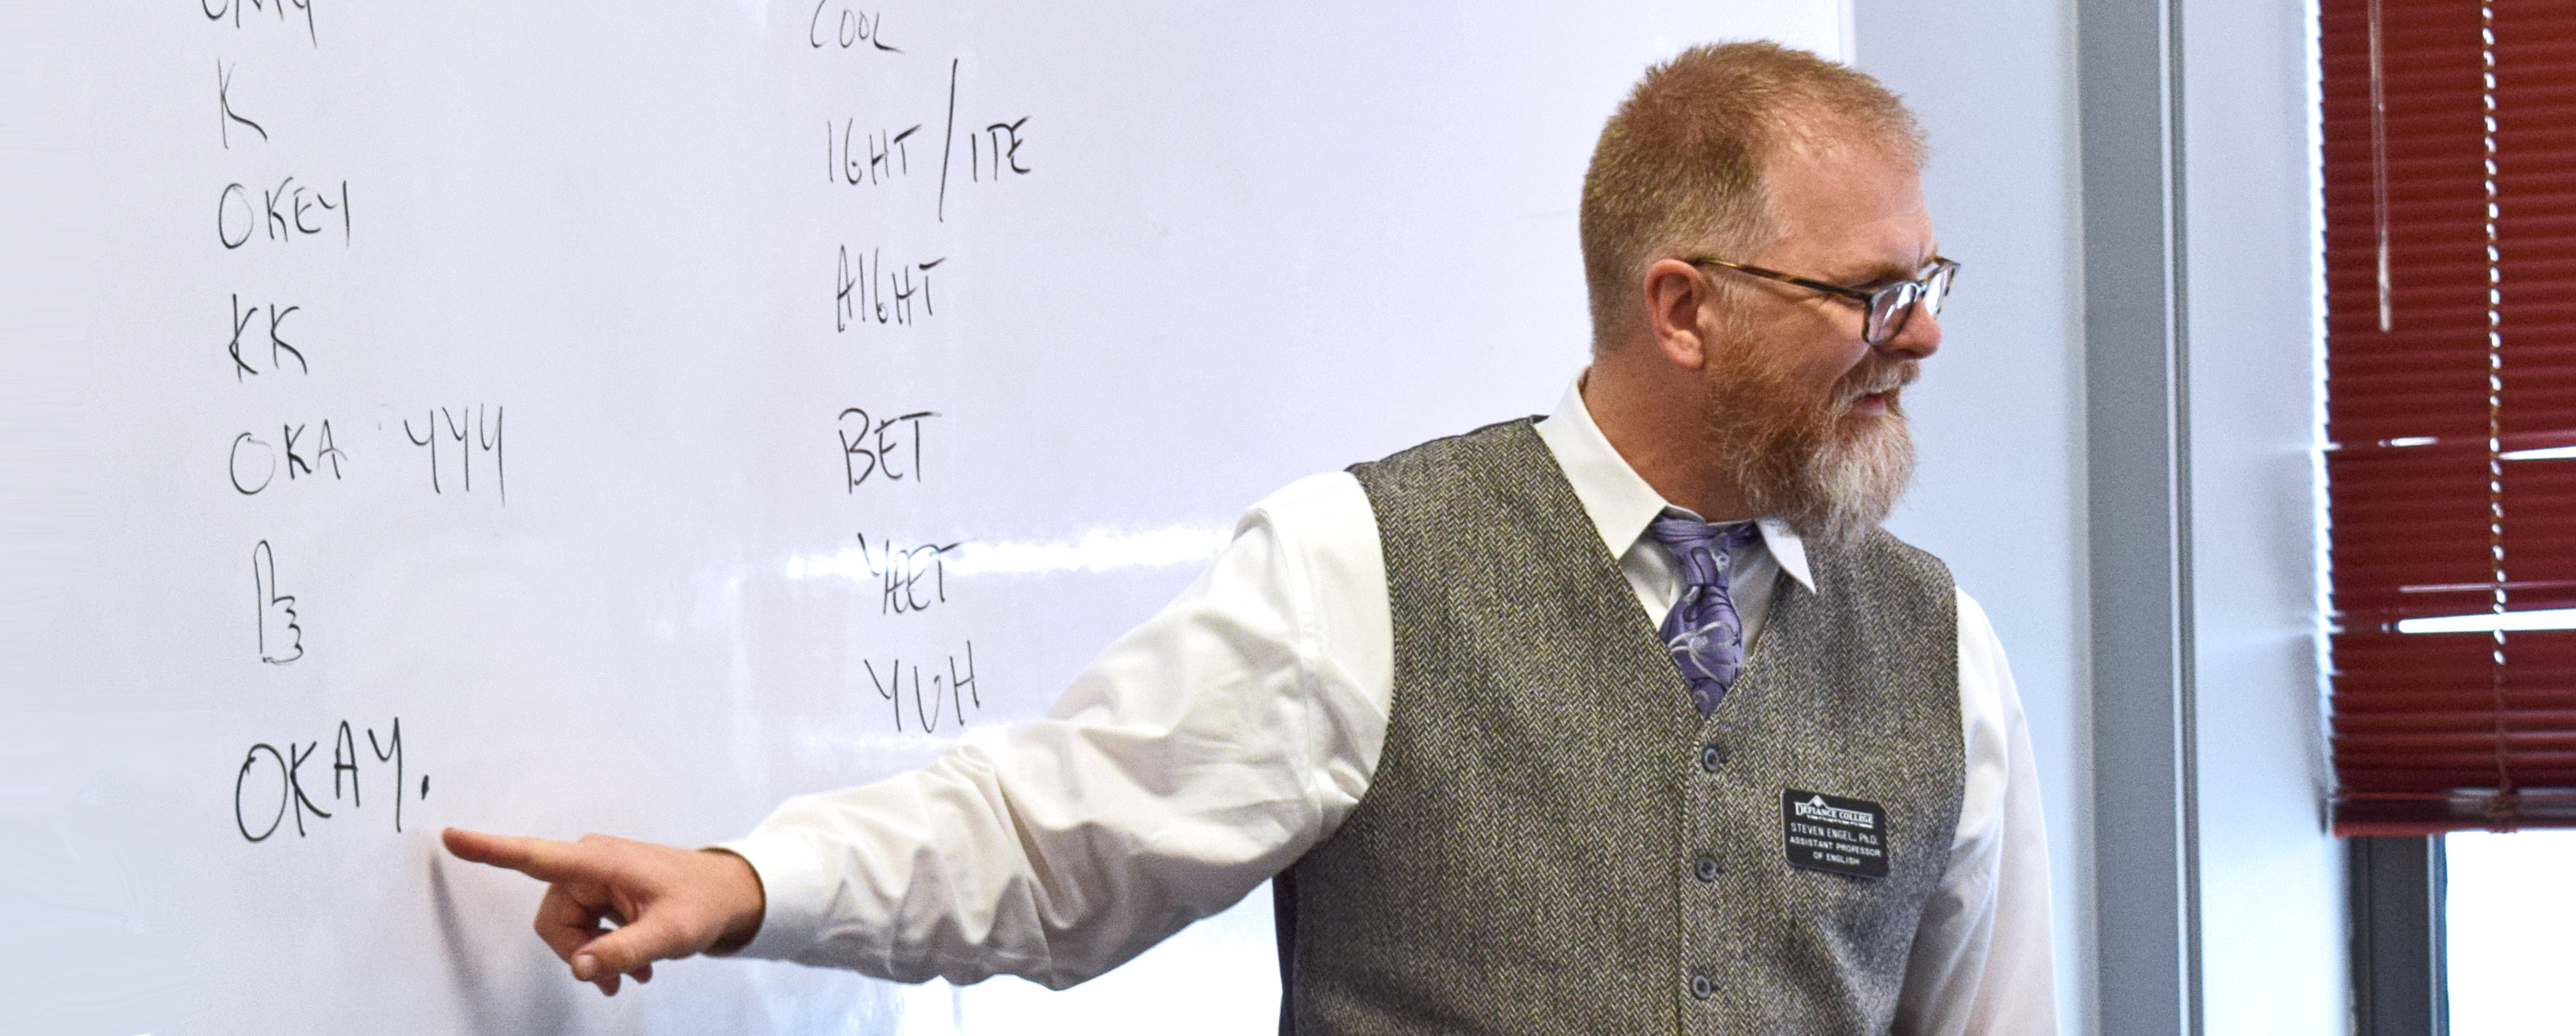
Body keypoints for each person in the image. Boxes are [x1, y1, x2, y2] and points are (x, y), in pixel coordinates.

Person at [445, 41, 2057, 1034]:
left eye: (1924, 287)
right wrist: (745, 880)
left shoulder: (1938, 650)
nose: (1916, 339)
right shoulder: (1369, 563)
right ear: (1682, 307)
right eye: (1868, 296)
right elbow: (1052, 838)